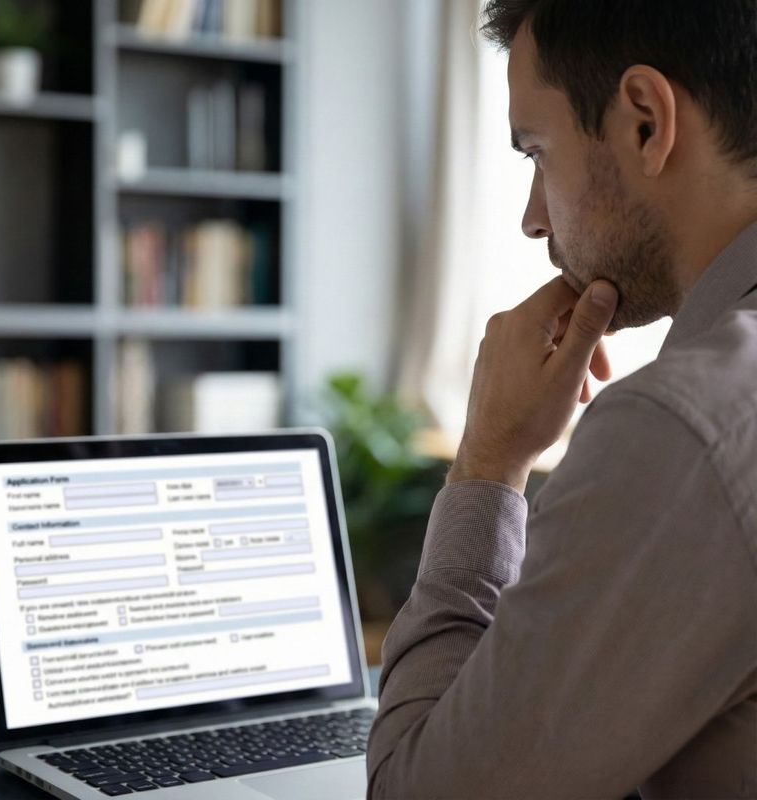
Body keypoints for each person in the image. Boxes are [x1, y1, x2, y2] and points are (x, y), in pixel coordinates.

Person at [366, 0, 757, 797]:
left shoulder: (683, 429)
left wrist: (488, 460)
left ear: (646, 122)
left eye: (537, 153)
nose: (531, 218)